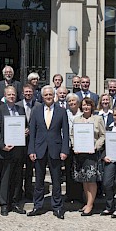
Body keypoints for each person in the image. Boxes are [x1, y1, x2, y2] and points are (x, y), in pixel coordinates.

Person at [27, 85, 69, 219]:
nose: (48, 97)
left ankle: (57, 207)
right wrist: (31, 150)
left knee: (56, 181)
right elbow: (32, 131)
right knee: (39, 181)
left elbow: (66, 133)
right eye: (46, 95)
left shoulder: (61, 111)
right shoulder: (36, 110)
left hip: (55, 149)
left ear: (54, 96)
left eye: (51, 95)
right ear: (42, 96)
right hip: (39, 149)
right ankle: (37, 206)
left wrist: (64, 150)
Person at [0, 86, 28, 216]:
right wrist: (2, 146)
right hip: (5, 150)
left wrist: (25, 131)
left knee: (17, 178)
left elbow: (26, 126)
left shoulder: (21, 109)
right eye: (9, 94)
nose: (11, 96)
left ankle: (15, 202)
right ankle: (4, 204)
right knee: (5, 178)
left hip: (18, 150)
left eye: (13, 94)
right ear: (5, 96)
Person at [71, 97, 105, 216]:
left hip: (92, 154)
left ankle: (90, 204)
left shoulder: (97, 119)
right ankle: (87, 202)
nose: (86, 107)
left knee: (91, 179)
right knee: (84, 179)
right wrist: (74, 145)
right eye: (84, 105)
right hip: (80, 153)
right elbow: (72, 135)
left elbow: (103, 135)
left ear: (92, 107)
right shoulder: (76, 120)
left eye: (88, 105)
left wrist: (96, 146)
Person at [16, 84, 42, 200]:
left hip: (34, 141)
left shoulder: (39, 106)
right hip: (19, 142)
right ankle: (17, 191)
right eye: (26, 92)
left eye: (30, 92)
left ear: (33, 92)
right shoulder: (17, 106)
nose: (28, 94)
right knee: (19, 168)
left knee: (30, 169)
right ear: (22, 93)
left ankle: (28, 190)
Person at [64, 93, 84, 203]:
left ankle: (79, 195)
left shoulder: (82, 115)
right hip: (68, 145)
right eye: (69, 101)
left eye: (73, 101)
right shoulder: (64, 114)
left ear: (78, 103)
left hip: (80, 146)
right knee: (68, 170)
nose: (72, 103)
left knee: (79, 170)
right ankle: (69, 194)